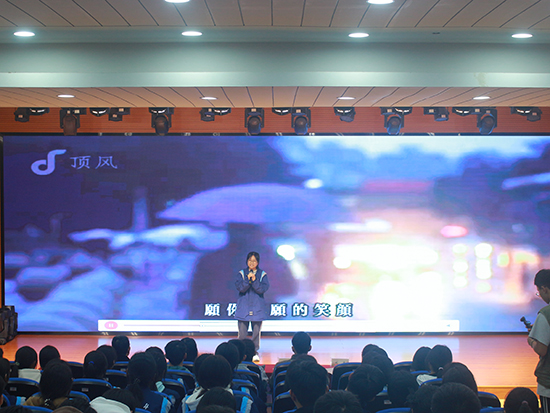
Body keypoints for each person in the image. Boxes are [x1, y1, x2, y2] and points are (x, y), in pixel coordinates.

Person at [235, 252, 269, 352]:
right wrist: (247, 279)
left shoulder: (262, 275)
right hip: (243, 308)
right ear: (247, 261)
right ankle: (241, 352)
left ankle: (254, 352)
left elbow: (261, 289)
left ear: (258, 262)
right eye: (250, 260)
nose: (252, 263)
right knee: (242, 335)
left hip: (257, 308)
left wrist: (254, 280)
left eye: (254, 261)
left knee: (256, 334)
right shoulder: (241, 273)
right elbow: (241, 288)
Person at [529, 269, 550, 413]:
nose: (540, 296)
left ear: (544, 288)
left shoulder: (545, 314)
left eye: (539, 292)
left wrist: (531, 340)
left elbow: (541, 349)